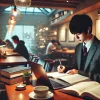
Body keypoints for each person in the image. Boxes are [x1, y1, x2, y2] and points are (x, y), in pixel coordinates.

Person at [57, 14, 100, 82]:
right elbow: (75, 67)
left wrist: (80, 73)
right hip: (78, 85)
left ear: (88, 30)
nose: (76, 37)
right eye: (74, 34)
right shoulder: (78, 47)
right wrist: (65, 68)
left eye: (78, 34)